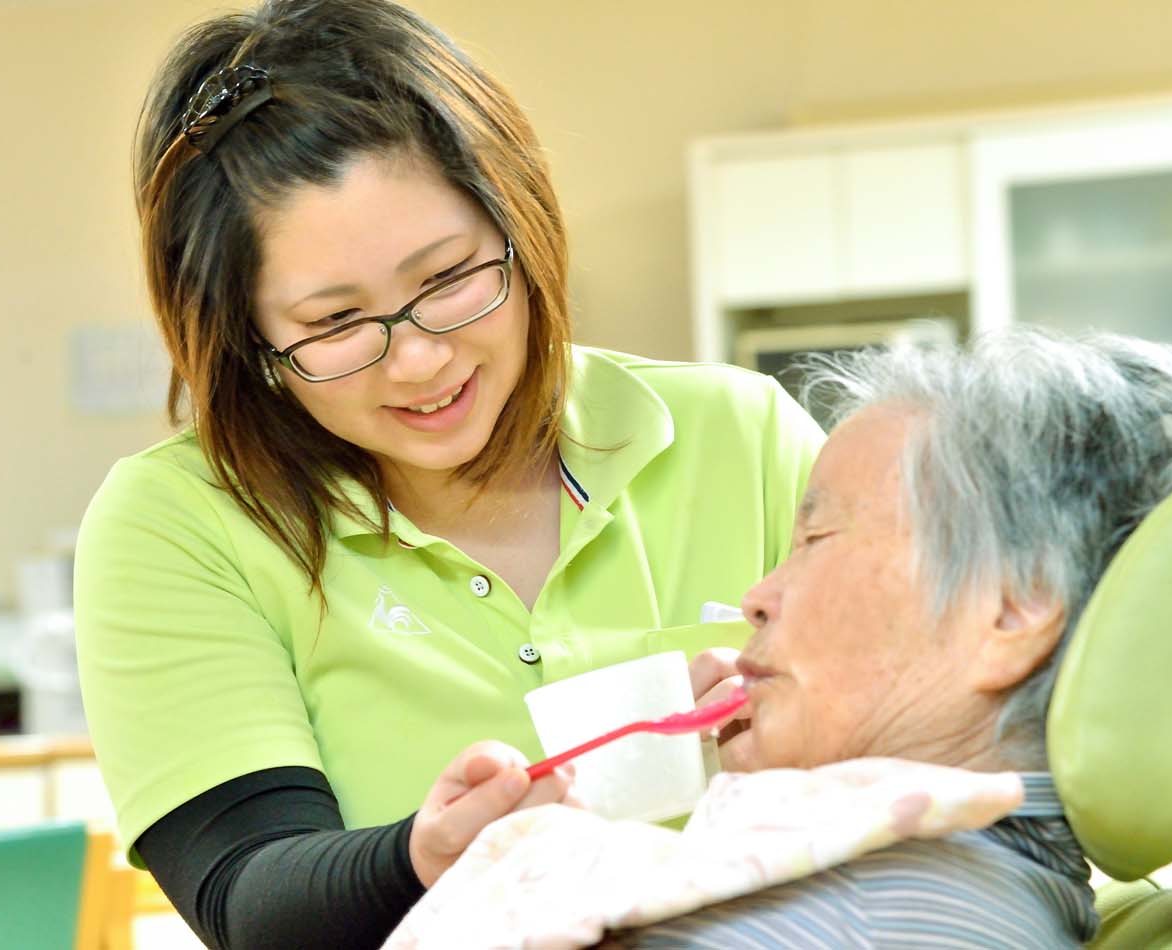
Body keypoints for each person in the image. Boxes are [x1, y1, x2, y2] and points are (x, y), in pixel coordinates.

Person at [72, 1, 822, 947]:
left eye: (448, 279)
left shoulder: (743, 437)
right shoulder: (180, 521)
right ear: (247, 338)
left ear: (524, 225)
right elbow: (245, 896)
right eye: (336, 325)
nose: (419, 361)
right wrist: (425, 858)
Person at [597, 329, 1172, 947]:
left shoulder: (859, 926)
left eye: (816, 541)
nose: (756, 600)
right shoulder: (921, 890)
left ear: (1011, 612)